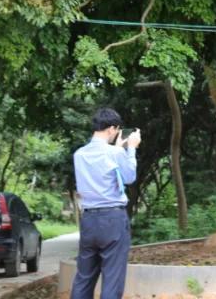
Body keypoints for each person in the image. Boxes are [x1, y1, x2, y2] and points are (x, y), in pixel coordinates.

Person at [71, 107, 141, 299]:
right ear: (112, 128)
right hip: (112, 219)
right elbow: (129, 178)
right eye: (116, 131)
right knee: (112, 278)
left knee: (84, 277)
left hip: (89, 220)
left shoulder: (79, 155)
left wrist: (118, 149)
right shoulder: (115, 154)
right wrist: (131, 148)